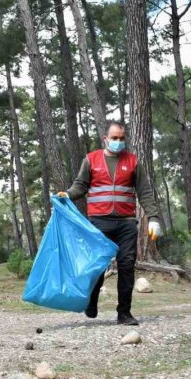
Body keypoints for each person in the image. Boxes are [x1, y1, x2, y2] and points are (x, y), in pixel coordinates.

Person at [57, 120, 162, 326]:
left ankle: (124, 313)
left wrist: (154, 217)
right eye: (114, 138)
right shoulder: (91, 159)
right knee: (97, 266)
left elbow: (145, 192)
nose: (118, 142)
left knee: (126, 266)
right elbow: (80, 185)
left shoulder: (132, 161)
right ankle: (92, 301)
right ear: (105, 138)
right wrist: (67, 195)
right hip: (99, 223)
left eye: (122, 138)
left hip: (126, 223)